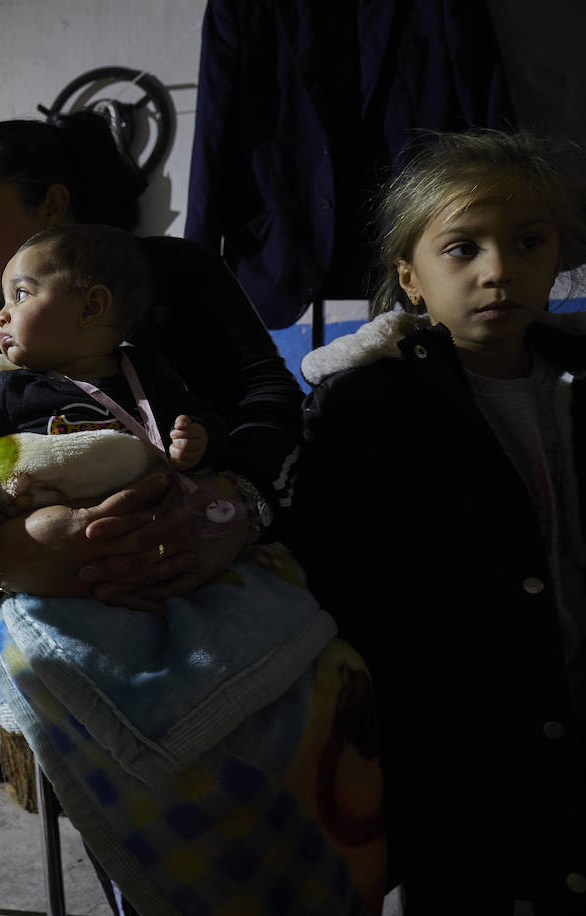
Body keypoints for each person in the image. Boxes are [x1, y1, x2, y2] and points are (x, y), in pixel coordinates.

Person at [290, 130, 586, 914]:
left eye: (528, 242)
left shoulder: (576, 382)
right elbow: (340, 584)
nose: (499, 270)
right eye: (463, 249)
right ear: (409, 279)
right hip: (457, 740)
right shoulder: (364, 408)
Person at [0, 111, 302, 611]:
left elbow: (268, 398)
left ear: (52, 205)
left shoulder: (179, 275)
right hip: (40, 611)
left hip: (218, 578)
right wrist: (14, 556)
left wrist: (235, 505)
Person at [0, 223, 228, 585]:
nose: (1, 314)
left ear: (91, 308)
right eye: (4, 302)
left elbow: (202, 420)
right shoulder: (12, 390)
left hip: (155, 547)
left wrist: (196, 440)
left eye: (20, 295)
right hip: (60, 564)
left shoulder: (148, 372)